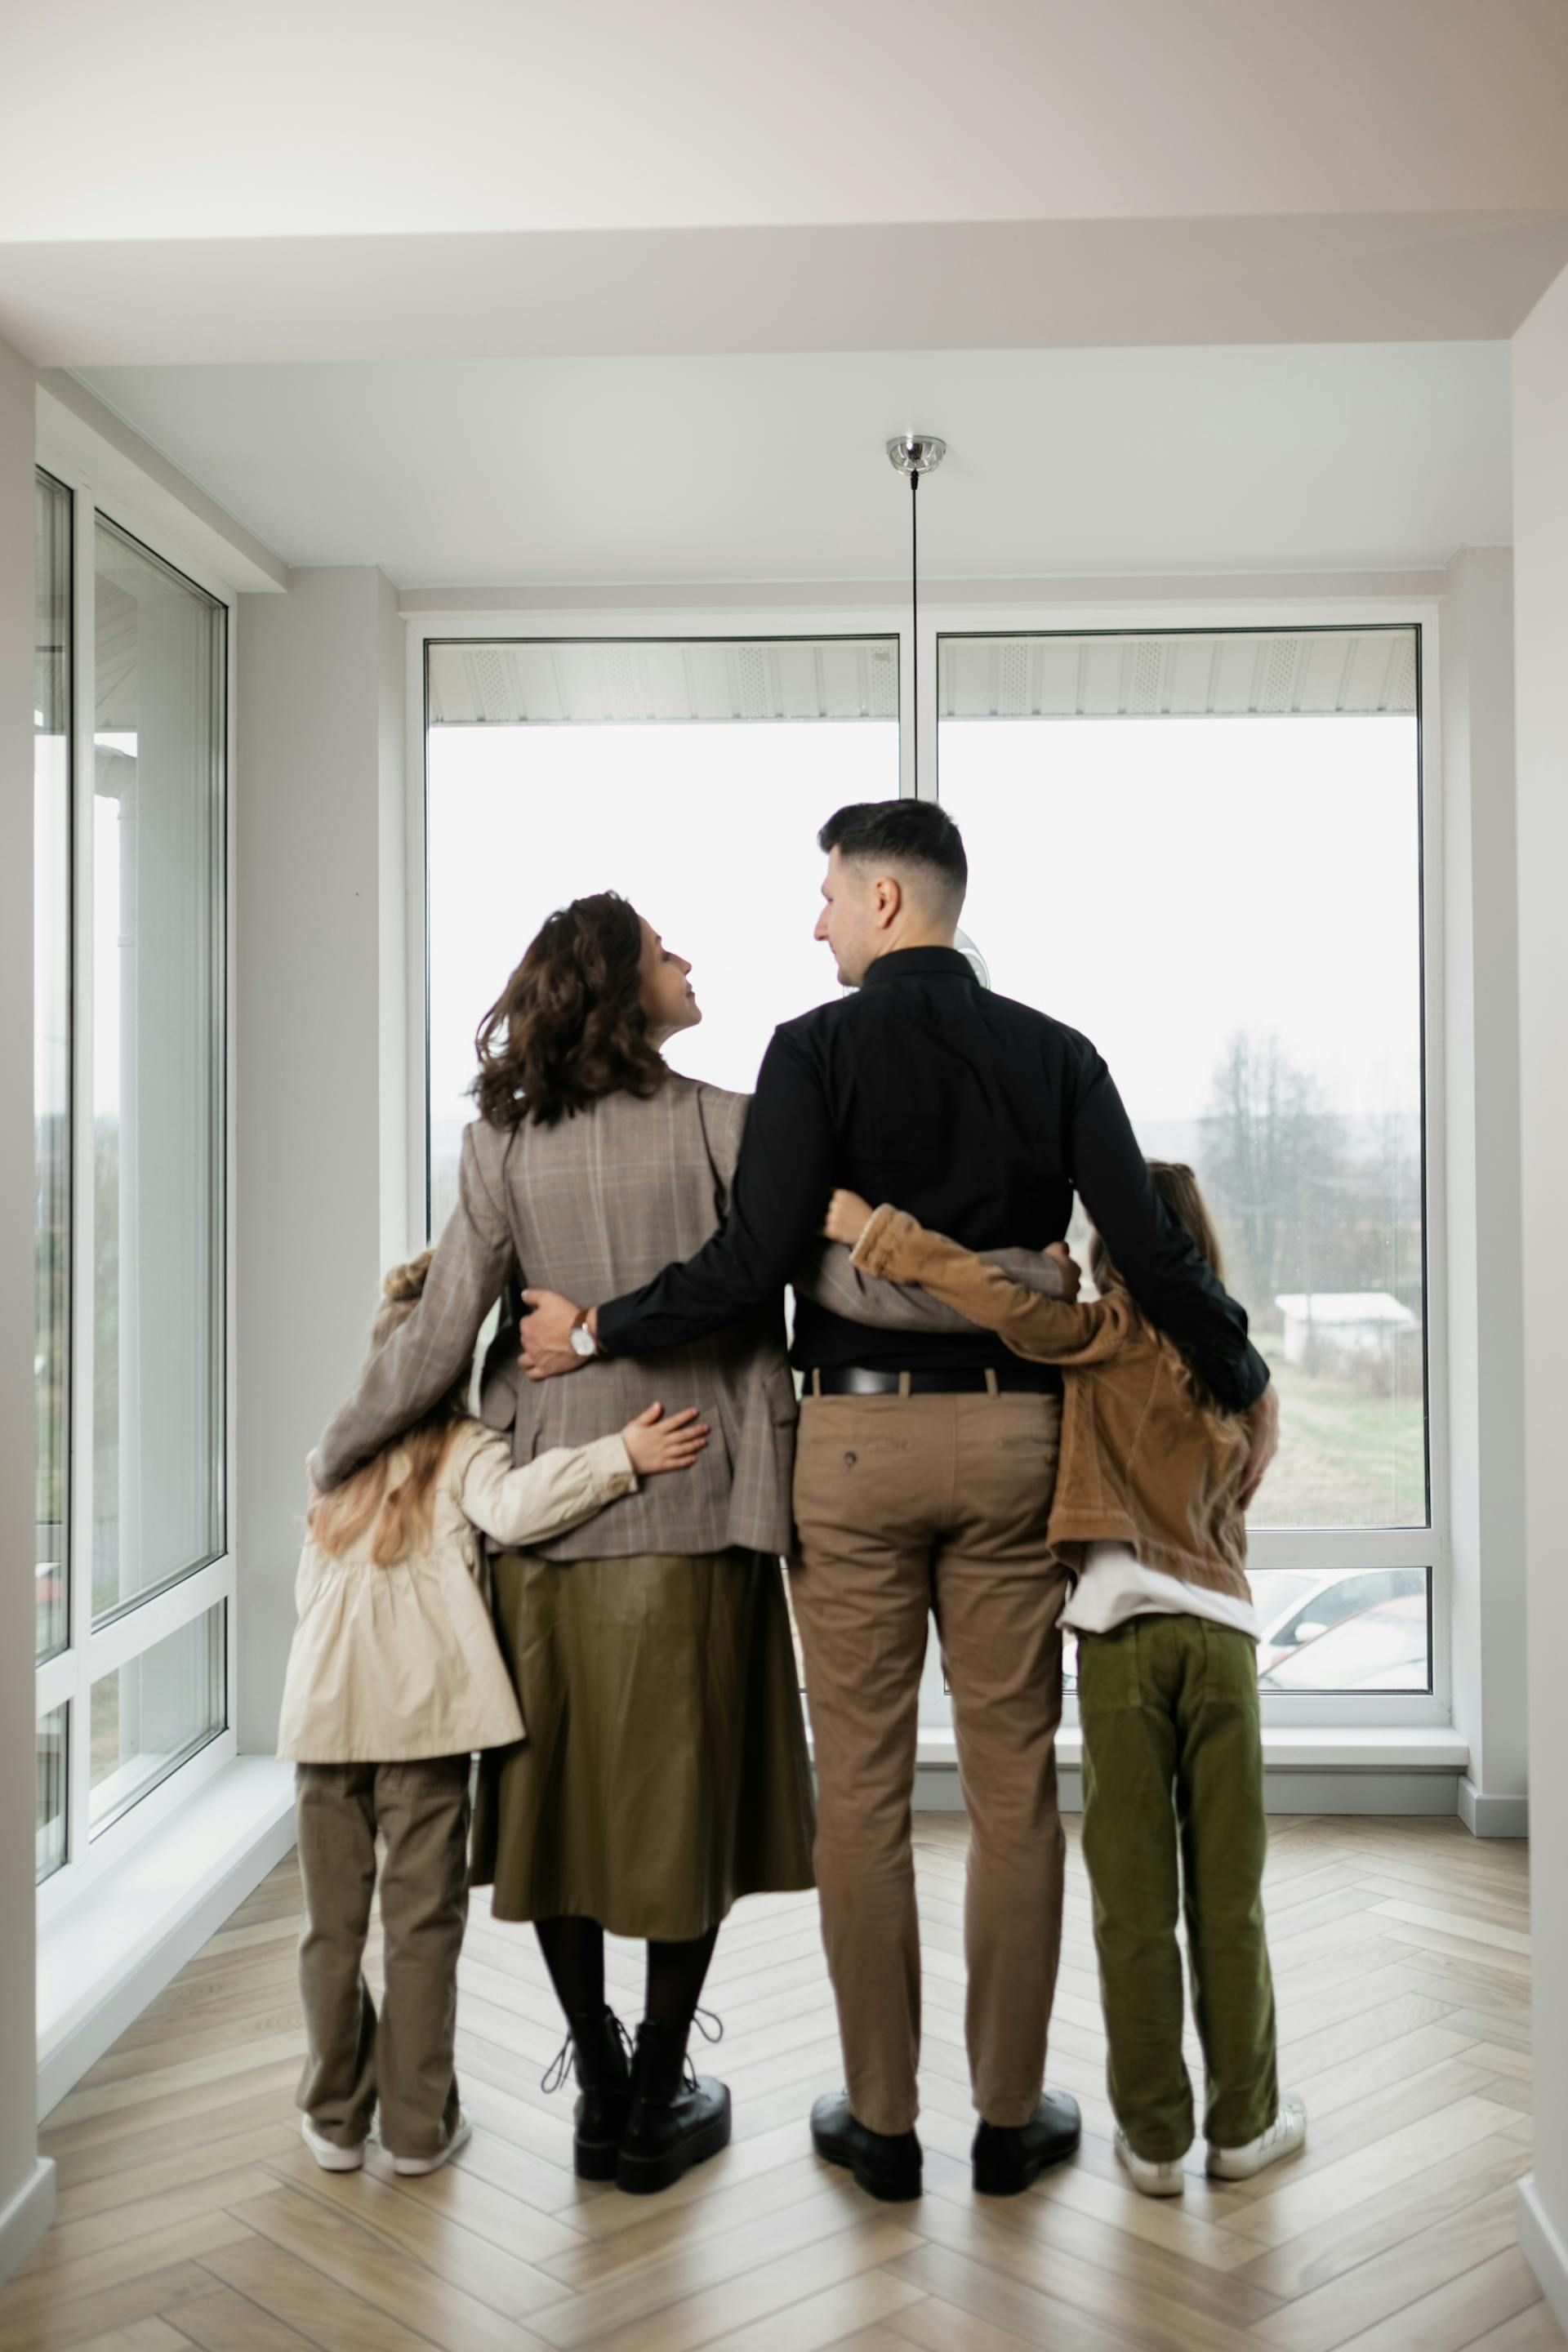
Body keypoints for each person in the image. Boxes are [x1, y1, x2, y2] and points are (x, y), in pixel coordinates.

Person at [521, 802, 1278, 2203]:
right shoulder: (1059, 1054)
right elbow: (1151, 1250)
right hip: (1017, 1453)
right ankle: (1005, 2121)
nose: (812, 923)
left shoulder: (812, 1052)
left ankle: (879, 2125)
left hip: (853, 1452)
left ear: (884, 901)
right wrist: (1234, 1365)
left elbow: (749, 1267)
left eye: (823, 897)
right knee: (1009, 1792)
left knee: (858, 1794)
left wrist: (594, 1329)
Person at [306, 891, 1012, 2194]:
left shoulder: (501, 1149)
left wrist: (342, 1446)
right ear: (626, 993)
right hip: (704, 1515)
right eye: (665, 952)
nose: (690, 964)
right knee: (688, 1816)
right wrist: (996, 1297)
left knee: (561, 1815)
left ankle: (603, 2077)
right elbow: (833, 1280)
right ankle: (659, 2091)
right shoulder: (729, 1125)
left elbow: (439, 1330)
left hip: (548, 1526)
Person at [825, 1164, 1304, 2197]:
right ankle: (1245, 2126)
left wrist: (882, 1235)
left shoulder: (1105, 1333)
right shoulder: (1237, 1366)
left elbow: (989, 1296)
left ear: (1112, 1252)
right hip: (1225, 1646)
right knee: (1232, 1899)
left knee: (1132, 1906)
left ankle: (1157, 2144)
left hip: (1125, 1643)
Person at [281, 1249, 710, 2179]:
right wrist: (620, 1457)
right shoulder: (468, 1449)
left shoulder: (335, 1465)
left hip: (321, 1723)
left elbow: (309, 1596)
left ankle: (332, 2118)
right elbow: (519, 1511)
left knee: (331, 1928)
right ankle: (417, 2130)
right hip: (426, 1725)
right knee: (420, 1927)